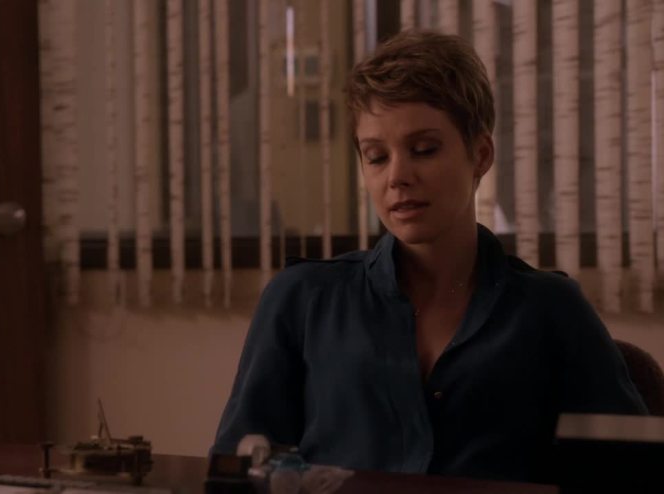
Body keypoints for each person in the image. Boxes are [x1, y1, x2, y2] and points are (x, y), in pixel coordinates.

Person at [212, 29, 647, 483]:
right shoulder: (302, 301)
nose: (397, 176)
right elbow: (236, 473)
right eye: (376, 157)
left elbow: (632, 478)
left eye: (424, 150)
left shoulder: (552, 311)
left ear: (480, 154)